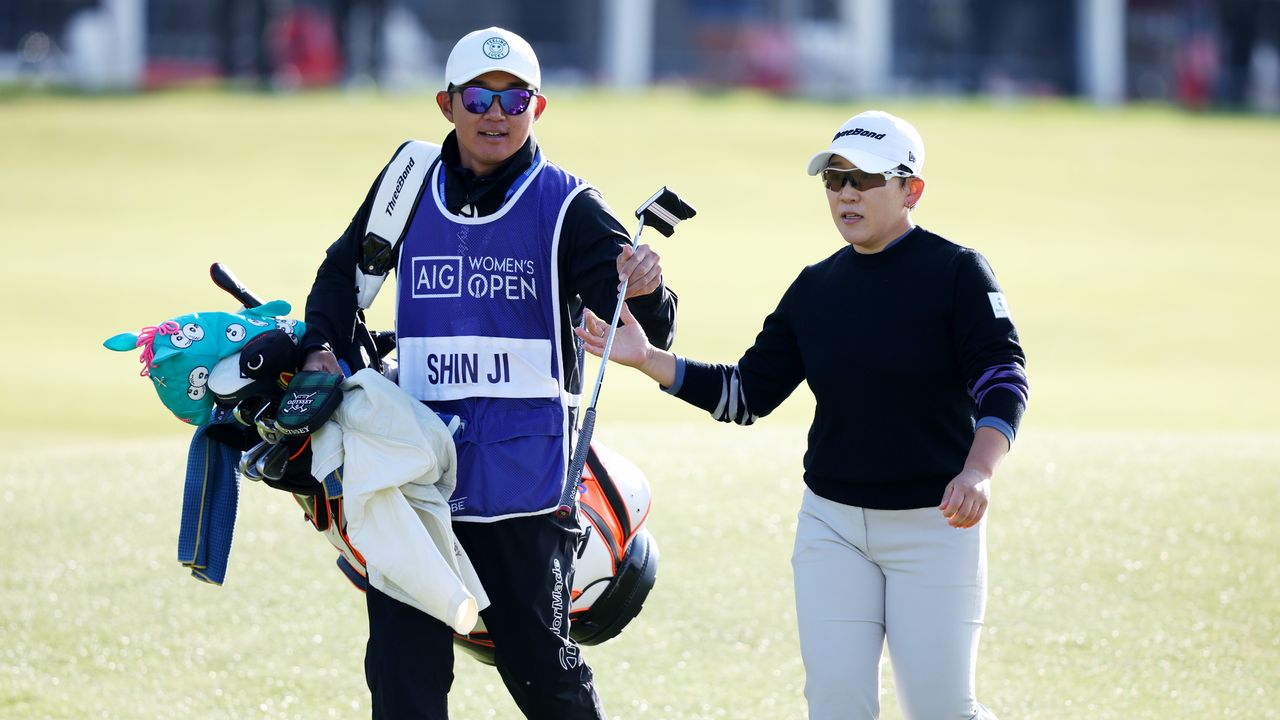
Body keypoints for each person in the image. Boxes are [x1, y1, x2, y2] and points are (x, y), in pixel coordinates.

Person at [576, 110, 1027, 720]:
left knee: (942, 709)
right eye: (834, 179)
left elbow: (1002, 377)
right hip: (833, 529)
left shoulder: (956, 273)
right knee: (836, 706)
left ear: (911, 189)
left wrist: (978, 471)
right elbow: (746, 394)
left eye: (864, 179)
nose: (845, 192)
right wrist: (650, 359)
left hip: (934, 528)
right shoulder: (816, 288)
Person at [300, 26, 678, 719]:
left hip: (524, 490)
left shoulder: (567, 203)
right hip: (413, 481)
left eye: (514, 99)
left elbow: (645, 328)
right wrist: (323, 347)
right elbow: (339, 277)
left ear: (540, 107)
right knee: (402, 680)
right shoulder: (406, 182)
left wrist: (647, 288)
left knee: (544, 676)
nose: (495, 114)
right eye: (478, 97)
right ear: (446, 104)